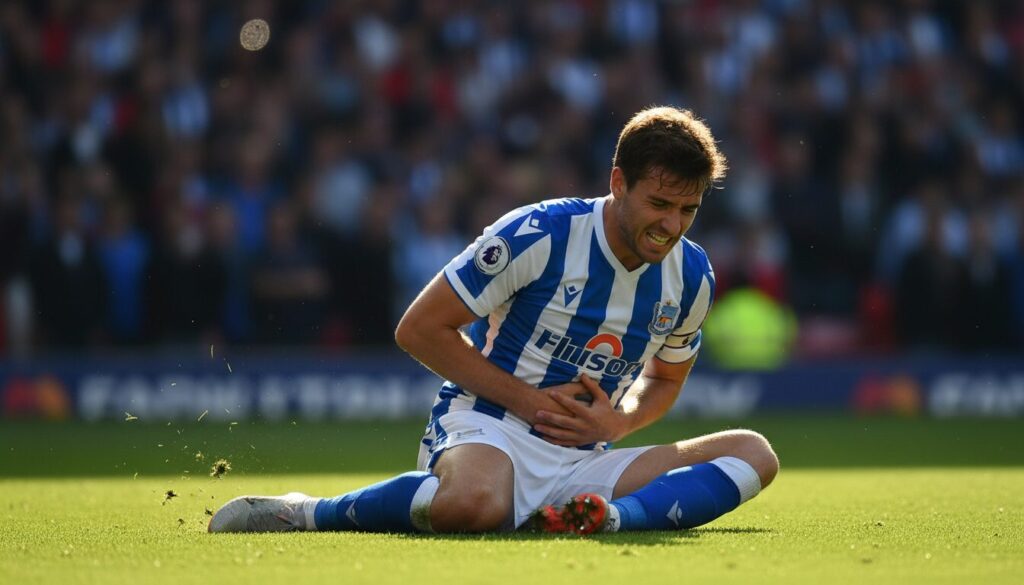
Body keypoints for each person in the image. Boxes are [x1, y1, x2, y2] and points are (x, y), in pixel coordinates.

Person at [209, 106, 779, 535]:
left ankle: (604, 517)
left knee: (754, 453)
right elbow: (419, 328)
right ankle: (309, 512)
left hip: (586, 459)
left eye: (687, 209)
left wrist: (619, 422)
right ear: (617, 183)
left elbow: (665, 380)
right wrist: (530, 402)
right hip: (488, 428)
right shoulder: (541, 234)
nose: (672, 225)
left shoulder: (693, 276)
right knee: (475, 504)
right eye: (659, 204)